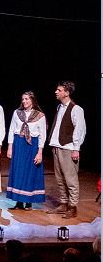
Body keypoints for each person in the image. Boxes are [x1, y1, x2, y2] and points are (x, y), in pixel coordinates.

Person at [46, 80, 86, 219]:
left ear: (67, 93)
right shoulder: (59, 107)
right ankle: (63, 203)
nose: (56, 92)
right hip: (57, 147)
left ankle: (72, 207)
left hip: (68, 148)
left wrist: (76, 149)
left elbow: (80, 130)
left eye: (59, 90)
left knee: (70, 179)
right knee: (60, 178)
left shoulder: (76, 109)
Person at [6, 91, 47, 210]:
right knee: (18, 171)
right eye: (23, 99)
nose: (24, 101)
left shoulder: (40, 116)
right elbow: (11, 130)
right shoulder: (17, 113)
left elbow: (42, 135)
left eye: (27, 99)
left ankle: (29, 202)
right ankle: (18, 202)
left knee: (30, 172)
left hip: (32, 146)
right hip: (19, 144)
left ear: (32, 100)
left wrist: (39, 153)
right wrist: (10, 147)